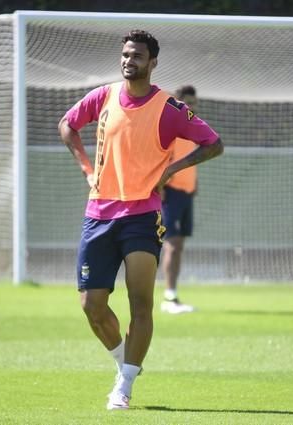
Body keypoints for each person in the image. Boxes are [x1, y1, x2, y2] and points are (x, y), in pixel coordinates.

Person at [58, 29, 223, 410]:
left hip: (143, 216)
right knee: (91, 306)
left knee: (141, 305)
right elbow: (67, 124)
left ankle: (125, 386)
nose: (128, 60)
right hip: (98, 213)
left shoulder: (169, 107)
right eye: (125, 54)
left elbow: (214, 143)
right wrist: (86, 168)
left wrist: (172, 170)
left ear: (153, 63)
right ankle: (123, 363)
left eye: (137, 56)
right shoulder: (103, 96)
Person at [160, 85, 201, 314]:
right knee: (172, 245)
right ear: (178, 103)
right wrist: (161, 188)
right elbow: (161, 159)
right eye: (188, 103)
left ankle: (173, 295)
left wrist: (196, 184)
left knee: (179, 245)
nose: (192, 107)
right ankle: (169, 297)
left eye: (195, 103)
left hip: (186, 194)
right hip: (171, 193)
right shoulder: (171, 129)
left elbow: (191, 160)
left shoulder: (193, 129)